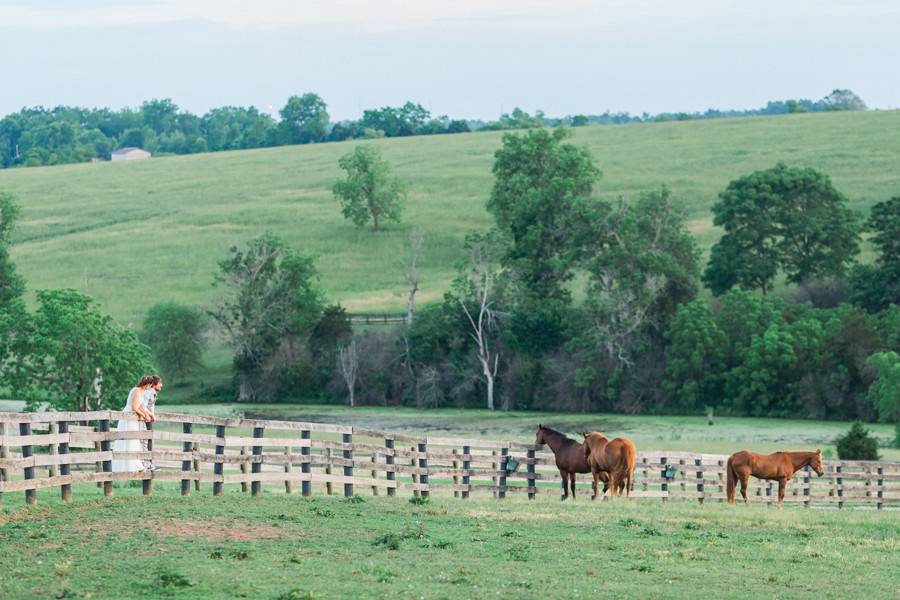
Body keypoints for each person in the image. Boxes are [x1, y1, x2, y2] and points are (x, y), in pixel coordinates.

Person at [111, 376, 157, 473]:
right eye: (150, 385)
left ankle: (134, 464)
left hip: (134, 418)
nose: (150, 387)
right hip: (129, 417)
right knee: (129, 439)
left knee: (134, 440)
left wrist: (150, 414)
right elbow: (135, 407)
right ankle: (126, 466)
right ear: (147, 384)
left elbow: (142, 406)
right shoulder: (136, 390)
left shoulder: (142, 391)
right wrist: (144, 415)